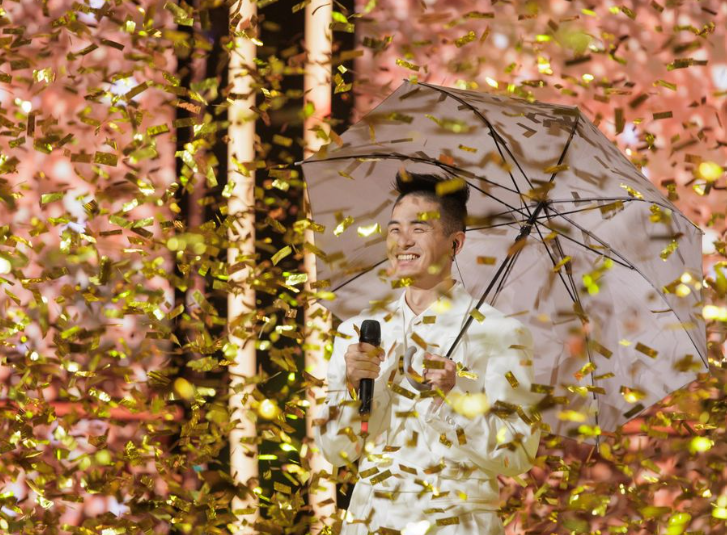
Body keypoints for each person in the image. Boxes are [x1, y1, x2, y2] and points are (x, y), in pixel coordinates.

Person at [314, 171, 542, 535]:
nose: (403, 240)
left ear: (455, 243)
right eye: (394, 230)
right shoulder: (358, 332)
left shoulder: (499, 333)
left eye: (418, 229)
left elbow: (518, 455)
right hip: (371, 520)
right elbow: (336, 451)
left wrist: (453, 401)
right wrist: (354, 389)